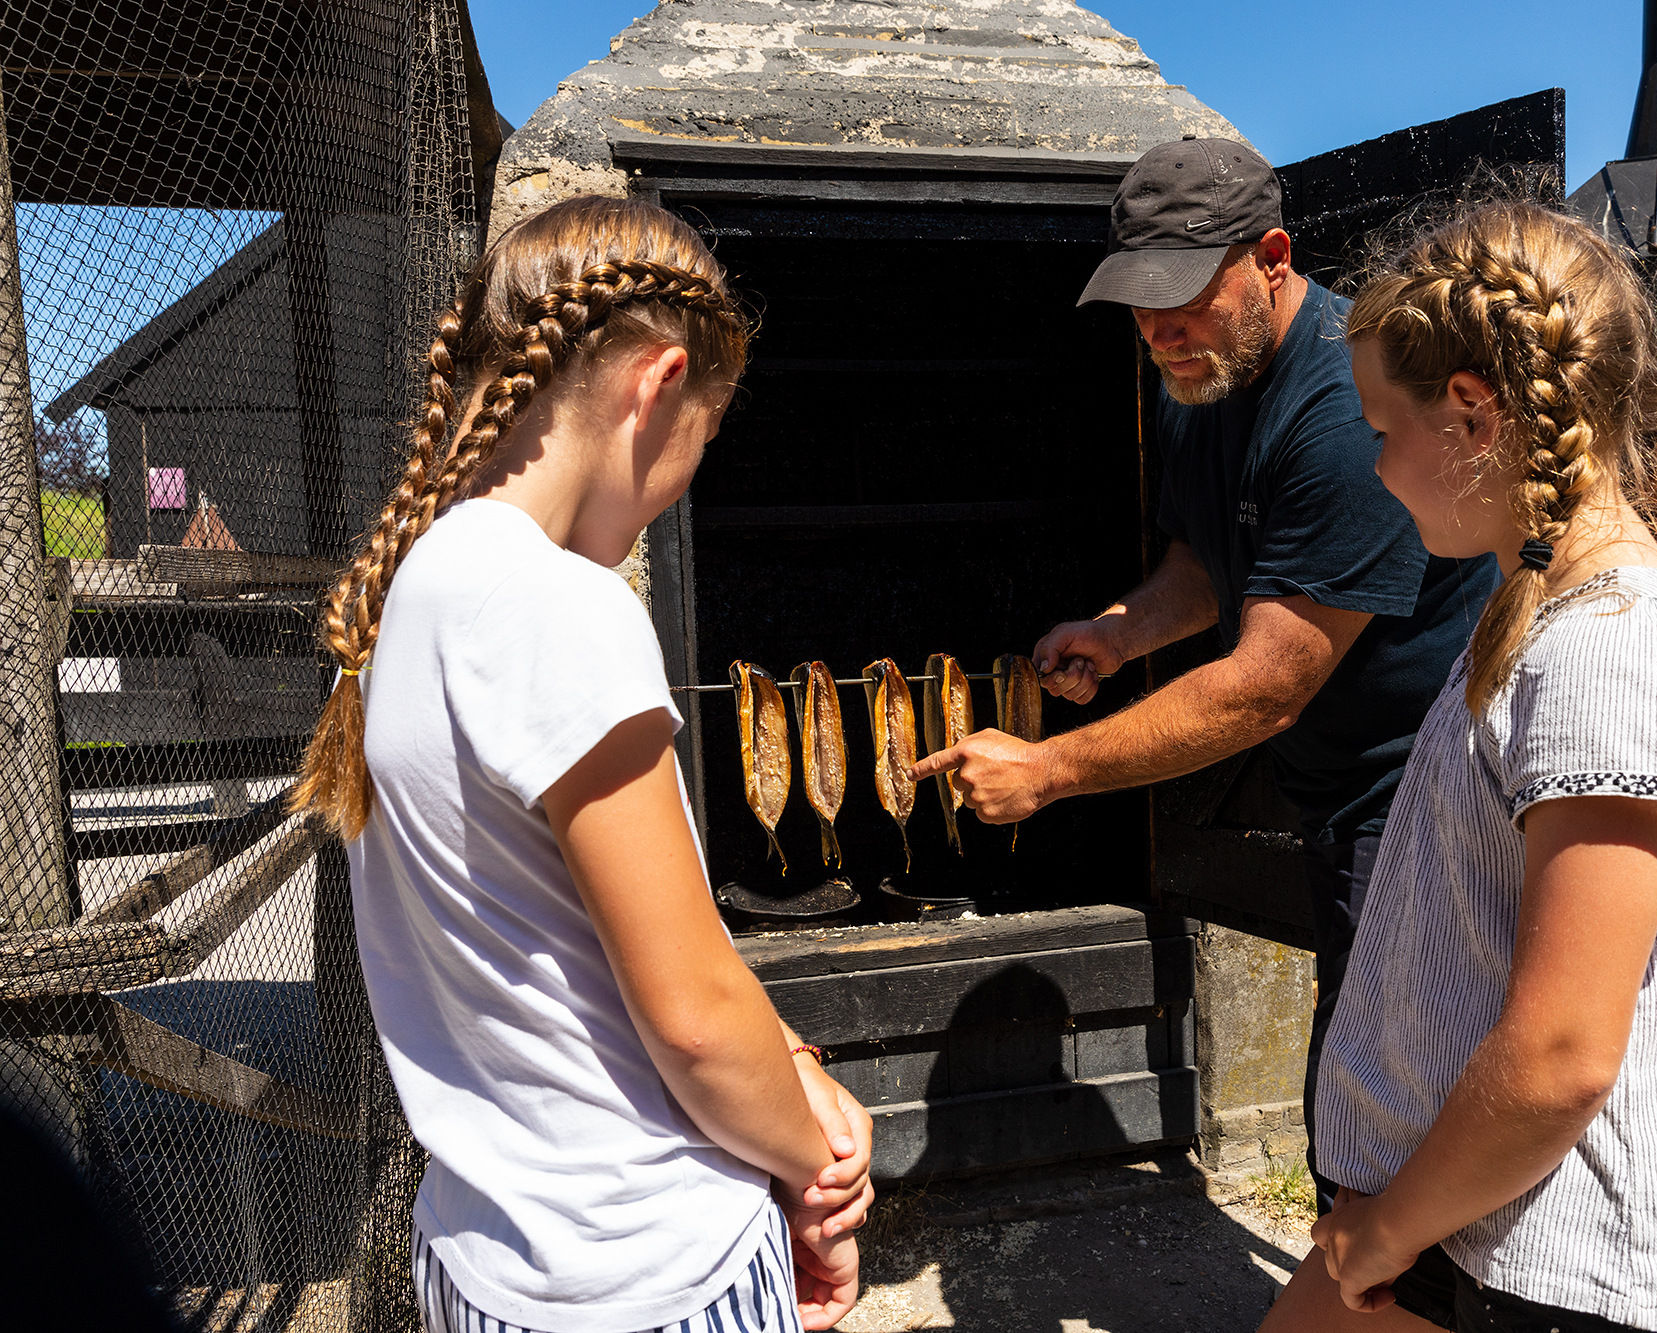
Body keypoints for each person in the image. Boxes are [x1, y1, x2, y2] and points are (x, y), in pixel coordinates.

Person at [291, 196, 873, 1333]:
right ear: (658, 385)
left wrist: (789, 1058)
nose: (682, 483)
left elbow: (564, 962)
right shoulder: (558, 606)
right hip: (644, 1268)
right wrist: (819, 1171)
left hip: (484, 1258)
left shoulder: (413, 591)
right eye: (703, 439)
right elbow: (693, 1018)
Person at [1263, 199, 1657, 1333]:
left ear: (1471, 414)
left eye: (1381, 430)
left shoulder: (1613, 653)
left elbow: (1563, 1050)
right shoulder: (1545, 618)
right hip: (1481, 1211)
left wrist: (1386, 1229)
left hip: (1581, 1265)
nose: (1376, 468)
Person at [912, 138, 1496, 1206]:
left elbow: (1266, 683)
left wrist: (1046, 771)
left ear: (1271, 258)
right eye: (1138, 306)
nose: (1158, 332)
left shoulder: (1342, 414)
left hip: (1425, 802)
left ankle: (1373, 1270)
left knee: (1379, 1122)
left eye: (1181, 299)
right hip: (1339, 793)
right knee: (1367, 1099)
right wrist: (1120, 632)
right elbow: (1209, 558)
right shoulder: (1200, 379)